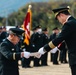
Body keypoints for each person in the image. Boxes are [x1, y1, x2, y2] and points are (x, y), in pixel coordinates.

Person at [36, 6, 76, 75]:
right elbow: (69, 38)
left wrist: (45, 49)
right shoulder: (74, 22)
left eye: (58, 19)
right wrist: (57, 48)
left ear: (61, 15)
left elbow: (59, 38)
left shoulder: (68, 24)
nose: (59, 21)